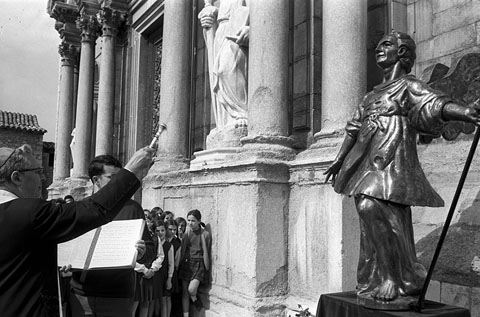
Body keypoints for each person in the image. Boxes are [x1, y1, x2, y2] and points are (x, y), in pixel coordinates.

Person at [324, 31, 480, 308]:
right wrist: (339, 159)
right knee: (369, 211)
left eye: (387, 45)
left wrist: (465, 112)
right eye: (379, 44)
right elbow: (353, 128)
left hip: (393, 159)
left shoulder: (408, 85)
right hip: (366, 159)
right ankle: (382, 276)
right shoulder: (371, 94)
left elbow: (435, 103)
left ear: (403, 53)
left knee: (373, 207)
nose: (379, 49)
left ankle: (396, 279)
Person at [0, 144, 154, 316]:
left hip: (117, 294)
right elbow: (95, 210)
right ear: (16, 178)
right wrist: (132, 170)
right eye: (37, 171)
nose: (43, 178)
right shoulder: (30, 212)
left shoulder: (133, 209)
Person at [69, 155, 156, 317]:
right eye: (112, 178)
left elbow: (150, 251)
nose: (119, 181)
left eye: (120, 176)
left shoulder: (133, 209)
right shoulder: (80, 207)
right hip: (81, 295)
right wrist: (66, 261)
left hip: (118, 296)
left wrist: (143, 253)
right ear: (96, 180)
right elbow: (68, 246)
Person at [198, 0, 249, 129]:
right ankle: (227, 121)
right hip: (220, 32)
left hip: (236, 28)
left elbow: (259, 13)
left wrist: (251, 28)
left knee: (226, 70)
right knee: (218, 76)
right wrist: (209, 21)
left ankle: (241, 112)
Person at [178, 210, 211, 315]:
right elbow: (183, 250)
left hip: (199, 263)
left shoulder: (205, 234)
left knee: (191, 290)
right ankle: (186, 314)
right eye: (188, 220)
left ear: (199, 221)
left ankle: (194, 298)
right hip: (187, 263)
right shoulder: (186, 234)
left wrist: (207, 268)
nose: (190, 223)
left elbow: (207, 252)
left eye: (193, 220)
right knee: (184, 292)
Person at [132, 218, 165, 317]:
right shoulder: (134, 237)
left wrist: (152, 269)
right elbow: (130, 258)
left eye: (148, 221)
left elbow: (160, 255)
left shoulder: (155, 238)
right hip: (136, 274)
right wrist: (143, 270)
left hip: (149, 274)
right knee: (134, 304)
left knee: (146, 303)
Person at [165, 219, 183, 317]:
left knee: (167, 298)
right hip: (160, 271)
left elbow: (176, 262)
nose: (172, 232)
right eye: (170, 229)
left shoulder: (177, 244)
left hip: (171, 273)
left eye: (174, 230)